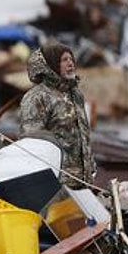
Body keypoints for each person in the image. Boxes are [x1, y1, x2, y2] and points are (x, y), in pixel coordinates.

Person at [19, 42, 96, 186]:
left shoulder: (75, 94)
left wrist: (91, 167)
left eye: (71, 59)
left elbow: (84, 135)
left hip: (82, 180)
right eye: (64, 60)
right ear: (51, 65)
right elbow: (32, 140)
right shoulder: (37, 97)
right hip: (57, 181)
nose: (70, 63)